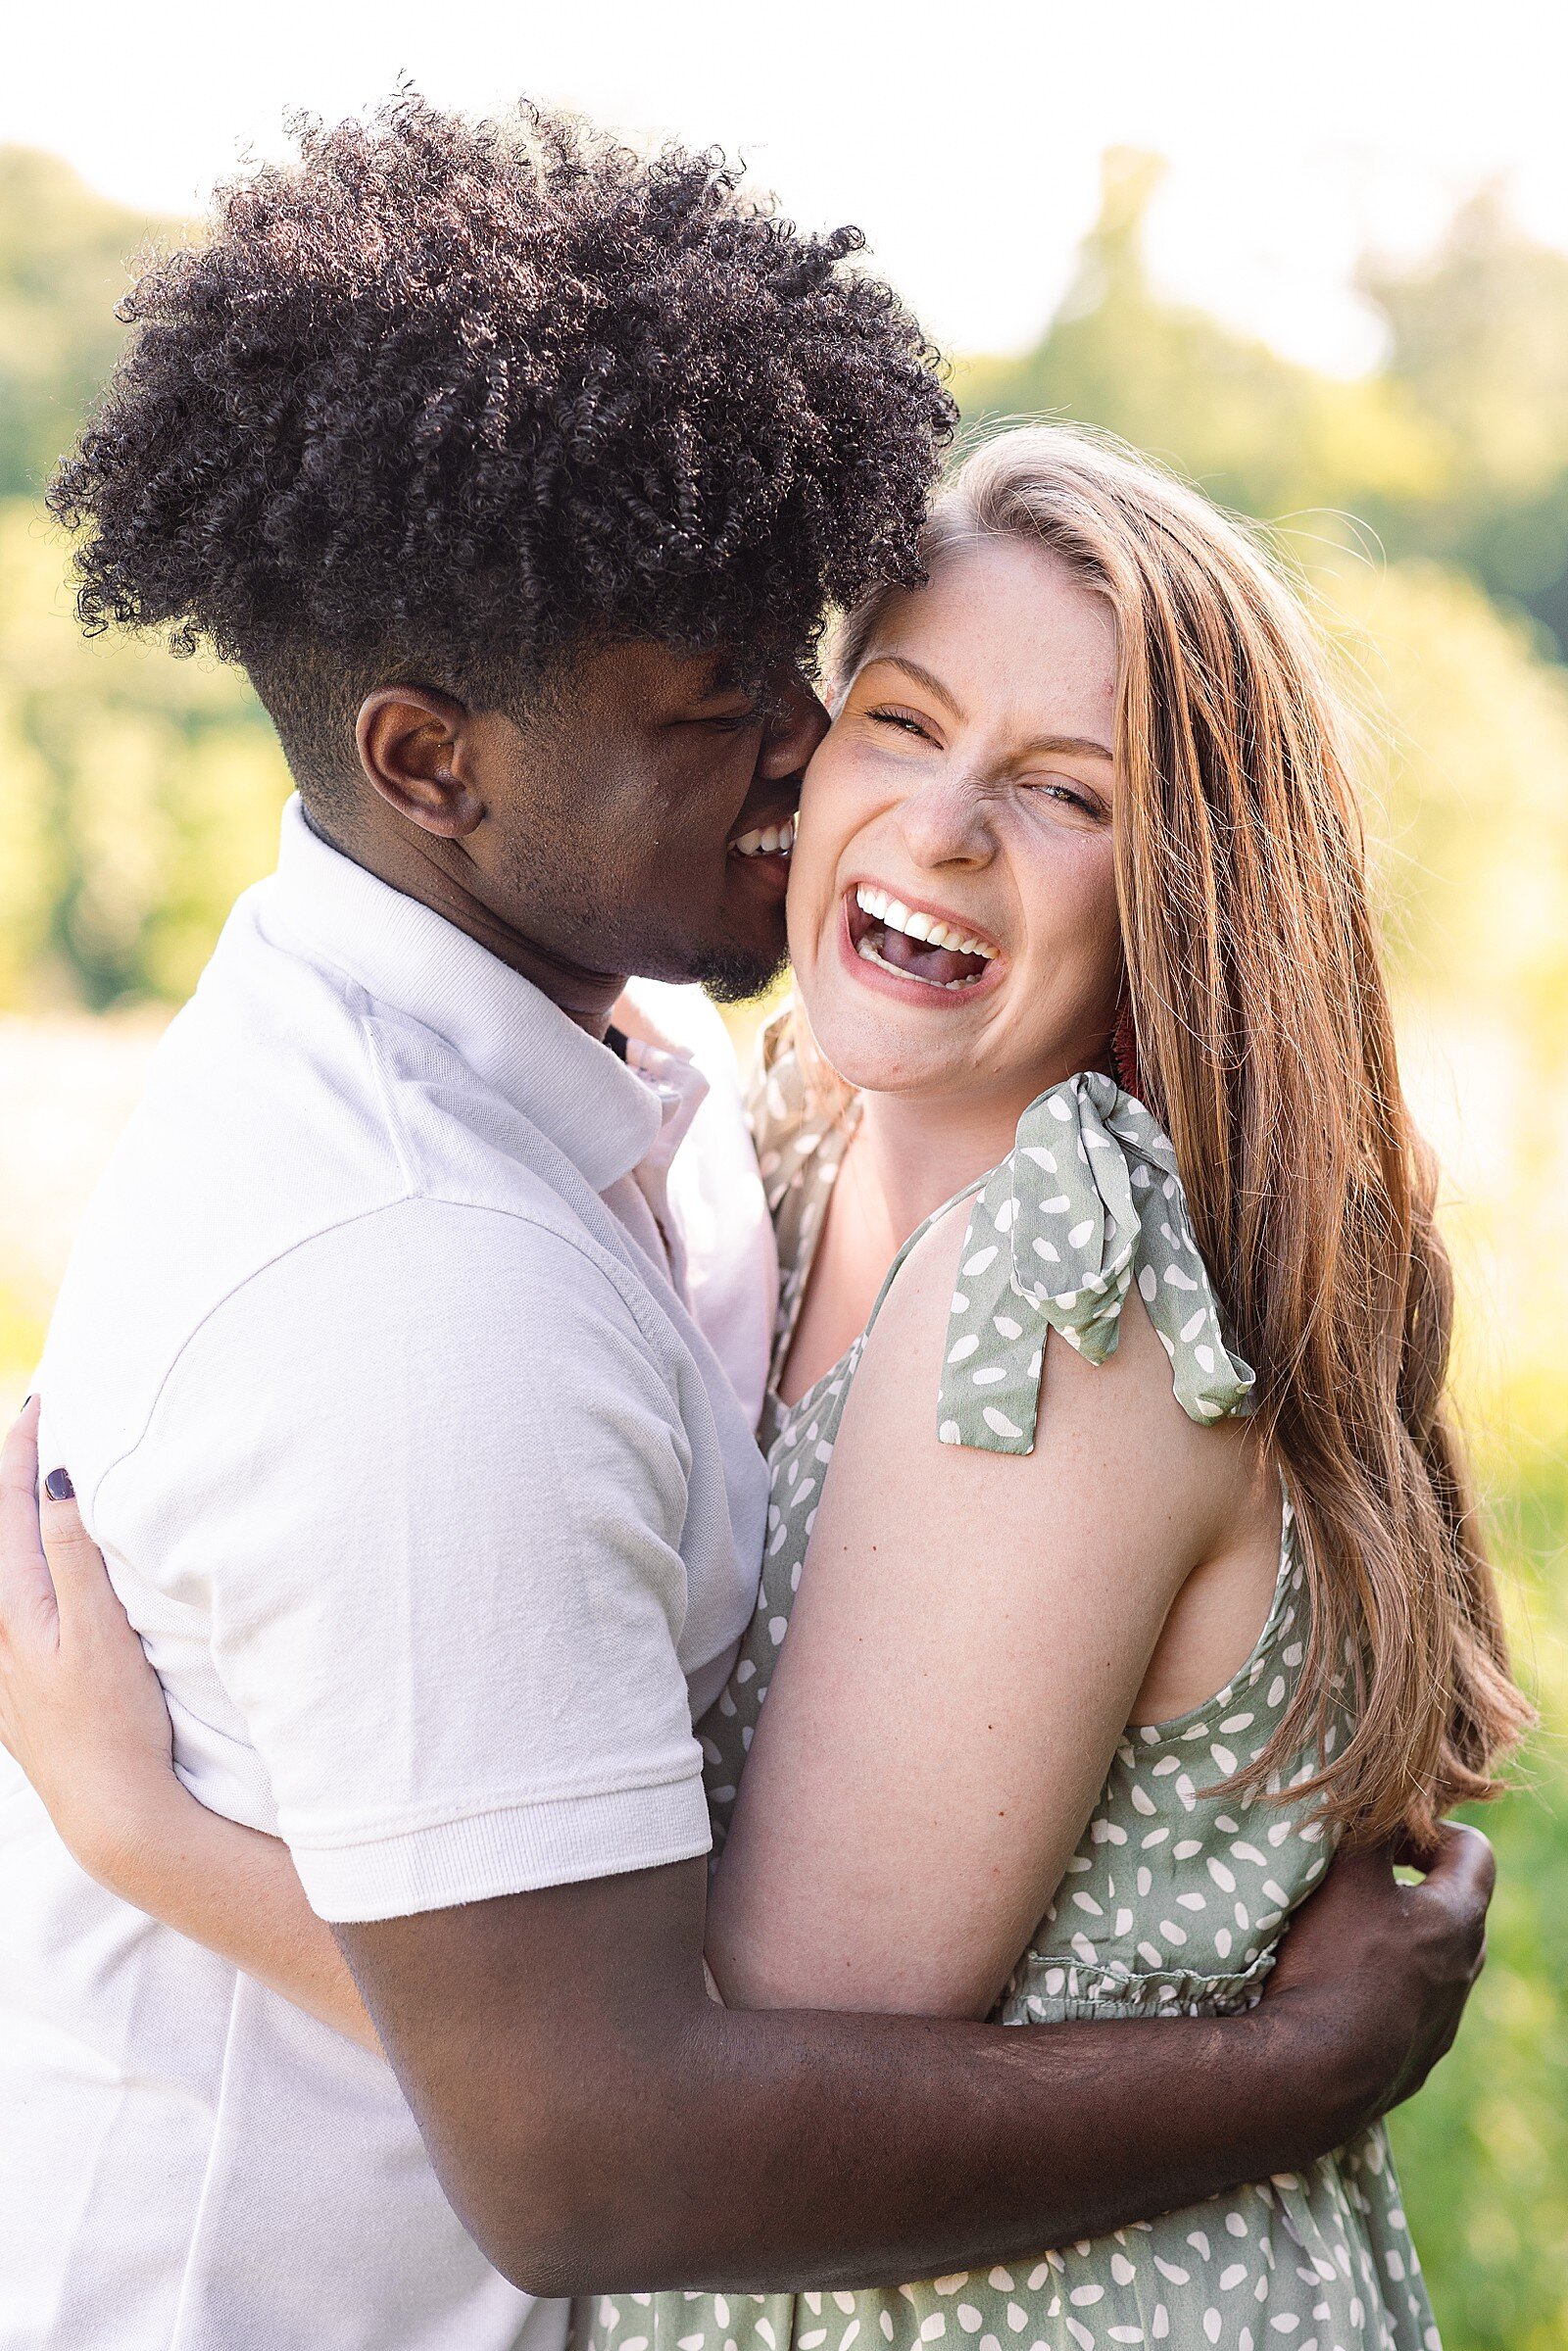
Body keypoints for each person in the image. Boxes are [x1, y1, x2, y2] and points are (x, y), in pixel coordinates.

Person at [0, 96, 1498, 2351]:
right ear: (432, 765)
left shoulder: (1027, 1270)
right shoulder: (720, 1164)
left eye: (1069, 792)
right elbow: (630, 2083)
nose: (860, 790)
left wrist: (150, 1841)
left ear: (1190, 879)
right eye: (875, 713)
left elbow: (702, 2059)